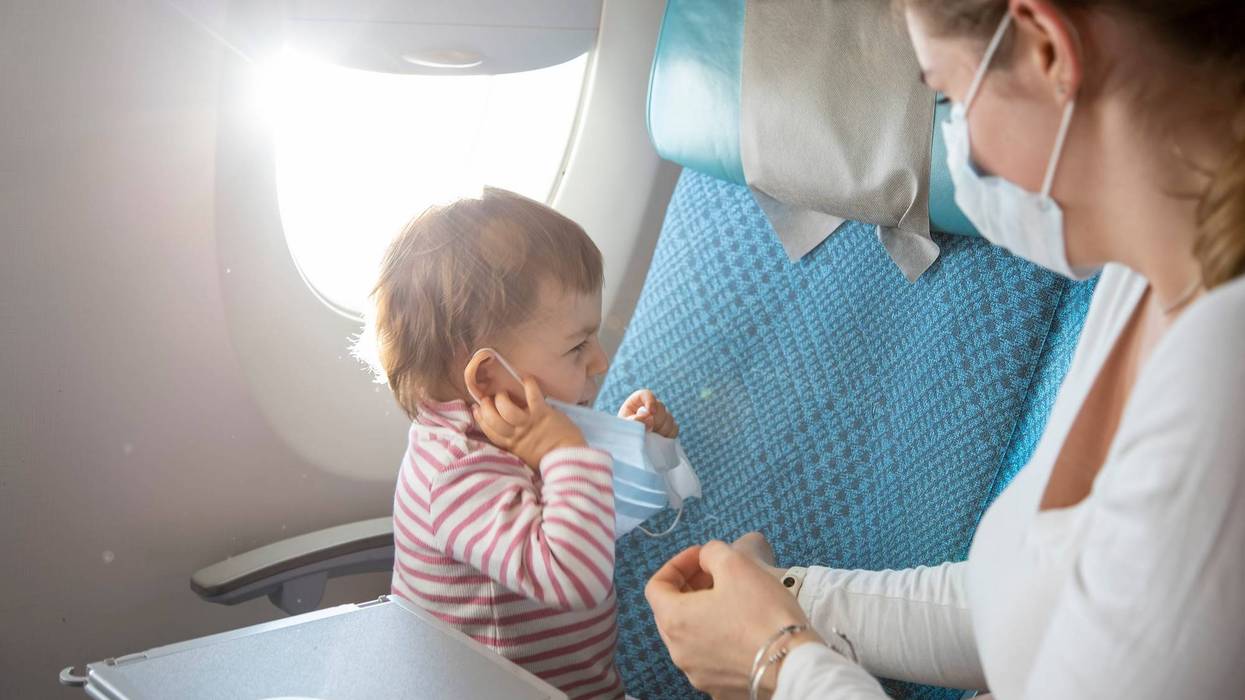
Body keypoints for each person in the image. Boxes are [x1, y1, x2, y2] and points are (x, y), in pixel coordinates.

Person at [645, 1, 1245, 697]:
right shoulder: (1141, 278)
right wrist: (789, 596)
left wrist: (774, 662)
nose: (953, 144)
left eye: (947, 95)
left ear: (1047, 48)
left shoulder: (1221, 382)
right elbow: (1033, 600)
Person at [361, 187, 677, 699]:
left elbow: (579, 519)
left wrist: (627, 445)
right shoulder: (459, 473)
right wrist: (565, 453)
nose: (600, 360)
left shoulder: (517, 424)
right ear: (487, 377)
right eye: (577, 345)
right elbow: (575, 578)